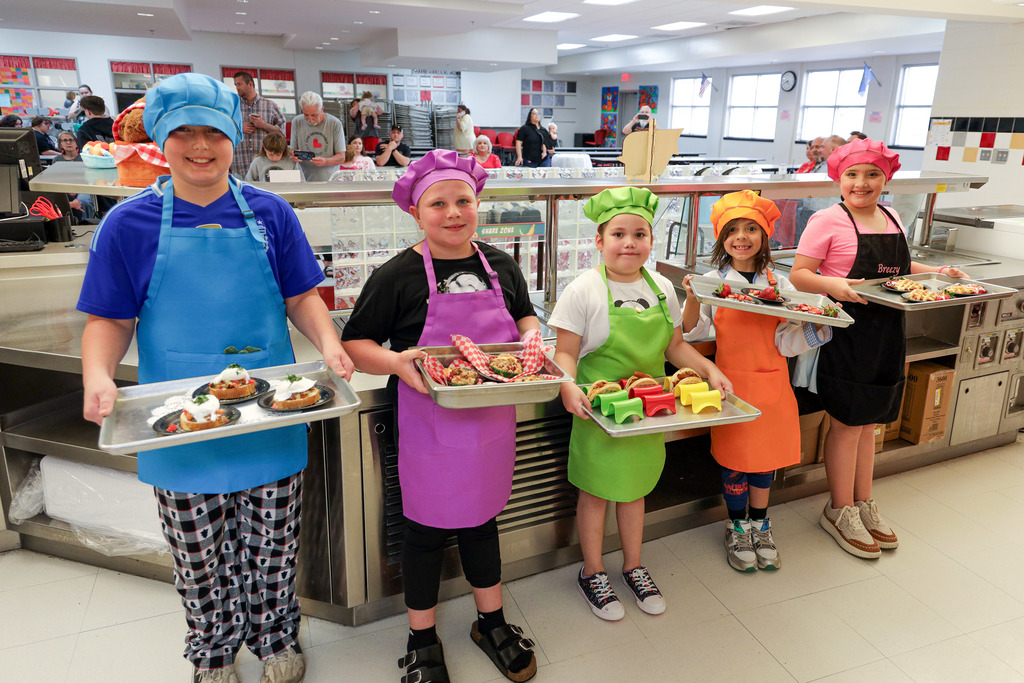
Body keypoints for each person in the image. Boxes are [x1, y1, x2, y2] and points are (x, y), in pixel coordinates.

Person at [77, 72, 352, 683]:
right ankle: (213, 651)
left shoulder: (272, 212)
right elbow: (109, 319)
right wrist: (98, 374)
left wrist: (329, 343)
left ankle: (276, 639)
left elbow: (302, 296)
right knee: (199, 557)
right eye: (184, 133)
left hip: (271, 411)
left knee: (273, 548)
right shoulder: (127, 224)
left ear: (234, 138)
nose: (200, 146)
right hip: (176, 420)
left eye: (214, 133)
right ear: (161, 139)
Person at [341, 149, 539, 683]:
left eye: (463, 201)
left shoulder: (500, 264)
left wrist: (530, 335)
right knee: (424, 529)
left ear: (477, 204)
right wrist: (394, 363)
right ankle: (421, 637)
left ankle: (491, 622)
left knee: (482, 520)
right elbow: (356, 344)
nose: (453, 213)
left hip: (491, 420)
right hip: (426, 423)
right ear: (415, 212)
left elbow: (524, 313)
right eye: (438, 204)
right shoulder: (397, 275)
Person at [550, 186, 731, 621]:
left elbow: (675, 347)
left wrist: (709, 369)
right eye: (618, 234)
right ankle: (593, 571)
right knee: (596, 493)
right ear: (599, 241)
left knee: (636, 491)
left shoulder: (661, 286)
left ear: (651, 241)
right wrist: (567, 386)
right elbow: (565, 352)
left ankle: (633, 565)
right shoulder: (583, 289)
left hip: (650, 410)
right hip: (598, 411)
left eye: (639, 234)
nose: (629, 243)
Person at [789, 138, 968, 559]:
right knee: (847, 423)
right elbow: (800, 274)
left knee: (870, 423)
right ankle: (839, 509)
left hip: (888, 330)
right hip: (846, 333)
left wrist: (938, 272)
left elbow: (901, 271)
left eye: (872, 174)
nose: (862, 183)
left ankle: (864, 502)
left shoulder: (892, 217)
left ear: (885, 179)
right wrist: (833, 285)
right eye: (852, 174)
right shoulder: (827, 220)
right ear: (839, 178)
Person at [681, 191, 832, 572]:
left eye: (751, 228)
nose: (741, 237)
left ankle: (761, 523)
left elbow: (785, 342)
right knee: (735, 460)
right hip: (730, 385)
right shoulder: (713, 281)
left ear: (765, 236)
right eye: (732, 230)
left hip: (773, 386)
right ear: (721, 239)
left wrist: (820, 324)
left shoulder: (780, 285)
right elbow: (692, 332)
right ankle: (736, 525)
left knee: (765, 461)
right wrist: (693, 297)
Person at [231, 71, 286, 178]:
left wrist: (264, 125)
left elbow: (282, 133)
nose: (237, 88)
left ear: (250, 84)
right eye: (235, 85)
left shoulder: (270, 106)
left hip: (265, 167)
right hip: (239, 166)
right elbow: (221, 129)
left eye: (239, 84)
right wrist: (239, 128)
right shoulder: (232, 106)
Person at [290, 91, 345, 181]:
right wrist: (294, 155)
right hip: (303, 179)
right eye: (306, 115)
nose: (310, 119)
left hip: (329, 180)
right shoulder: (297, 121)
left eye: (314, 115)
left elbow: (341, 157)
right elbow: (292, 150)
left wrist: (325, 161)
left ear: (322, 109)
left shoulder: (335, 123)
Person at [53, 131, 95, 221]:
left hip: (84, 187)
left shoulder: (85, 158)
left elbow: (90, 177)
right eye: (65, 140)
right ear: (60, 144)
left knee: (84, 201)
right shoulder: (56, 160)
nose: (68, 142)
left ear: (76, 143)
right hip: (64, 189)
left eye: (71, 140)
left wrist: (77, 189)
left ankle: (87, 222)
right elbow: (56, 179)